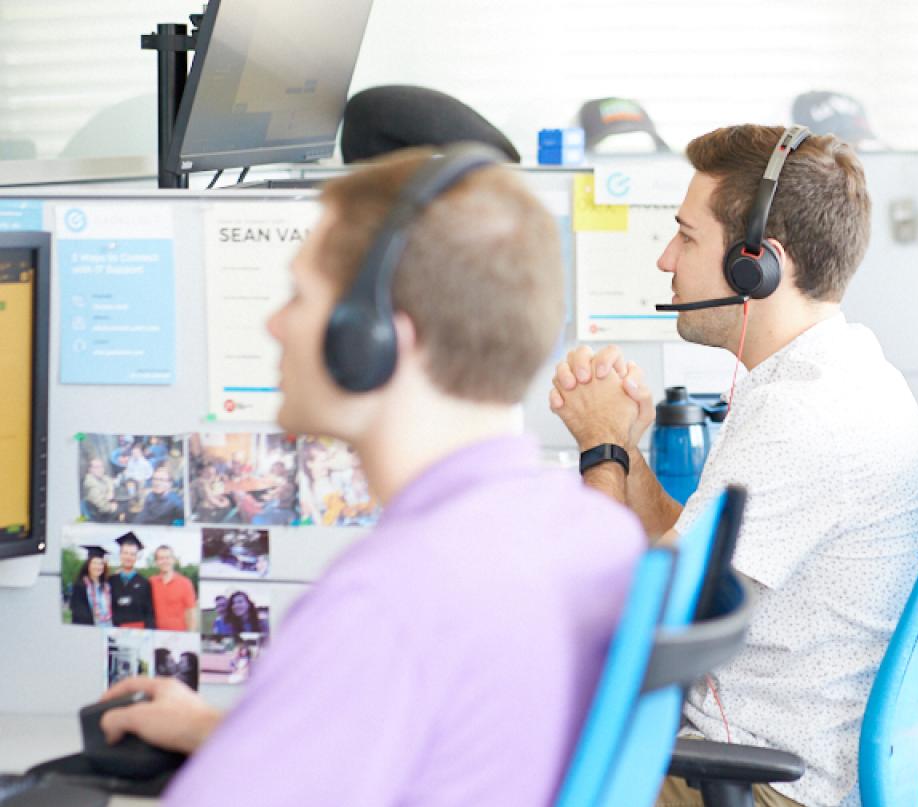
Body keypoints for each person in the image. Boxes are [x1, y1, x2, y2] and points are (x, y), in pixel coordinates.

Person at [98, 146, 645, 806]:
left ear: (377, 339)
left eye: (300, 294)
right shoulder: (591, 528)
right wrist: (230, 731)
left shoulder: (388, 600)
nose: (275, 322)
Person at [550, 124, 918, 806]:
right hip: (770, 759)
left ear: (757, 262)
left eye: (687, 235)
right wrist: (631, 452)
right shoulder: (837, 371)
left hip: (756, 784)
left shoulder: (804, 415)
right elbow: (697, 555)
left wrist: (601, 449)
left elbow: (628, 627)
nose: (665, 259)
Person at [110, 532, 156, 629]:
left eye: (132, 554)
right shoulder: (110, 581)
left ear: (136, 557)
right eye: (125, 553)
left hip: (138, 633)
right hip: (114, 632)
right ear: (120, 554)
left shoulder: (145, 583)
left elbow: (149, 613)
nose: (128, 557)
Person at [150, 544, 198, 632]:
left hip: (178, 634)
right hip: (155, 634)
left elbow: (191, 613)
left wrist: (191, 635)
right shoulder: (150, 582)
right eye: (161, 558)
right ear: (156, 562)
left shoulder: (185, 583)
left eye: (167, 558)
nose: (164, 561)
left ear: (173, 560)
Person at [68, 545, 114, 627]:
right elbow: (78, 612)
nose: (98, 567)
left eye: (101, 564)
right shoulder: (80, 585)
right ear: (88, 565)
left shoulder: (107, 586)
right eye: (95, 563)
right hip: (89, 629)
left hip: (108, 628)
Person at [82, 456, 119, 522]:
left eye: (101, 467)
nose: (100, 469)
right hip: (100, 516)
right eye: (96, 467)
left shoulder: (101, 478)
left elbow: (109, 480)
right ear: (90, 469)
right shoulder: (91, 484)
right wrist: (112, 507)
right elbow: (103, 507)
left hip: (106, 509)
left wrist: (110, 492)